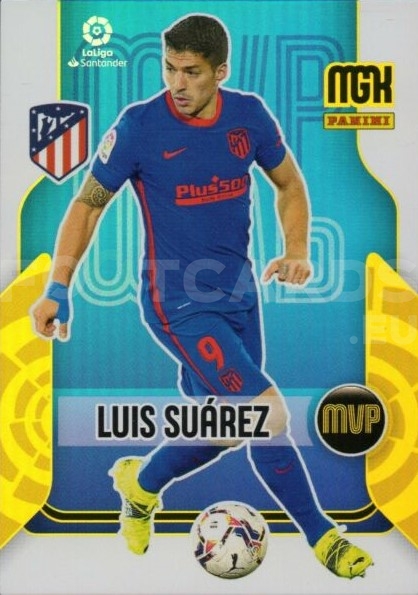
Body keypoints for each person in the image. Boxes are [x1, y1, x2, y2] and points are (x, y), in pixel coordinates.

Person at [31, 14, 373, 579]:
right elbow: (87, 205)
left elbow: (289, 183)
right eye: (169, 68)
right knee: (265, 414)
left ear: (221, 71)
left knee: (228, 428)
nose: (177, 83)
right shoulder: (139, 126)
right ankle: (324, 538)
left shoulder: (249, 116)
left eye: (191, 71)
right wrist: (57, 287)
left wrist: (297, 249)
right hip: (178, 304)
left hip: (240, 296)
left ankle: (140, 484)